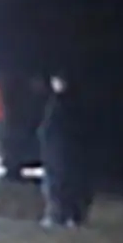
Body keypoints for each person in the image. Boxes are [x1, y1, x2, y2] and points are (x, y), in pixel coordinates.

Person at [38, 74, 93, 228]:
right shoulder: (60, 102)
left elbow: (51, 128)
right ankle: (67, 215)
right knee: (62, 182)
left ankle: (61, 215)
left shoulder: (61, 103)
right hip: (61, 150)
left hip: (62, 150)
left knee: (59, 183)